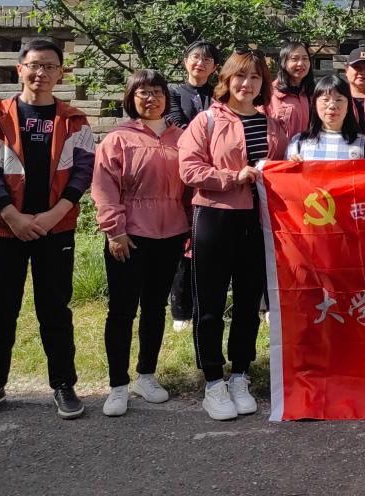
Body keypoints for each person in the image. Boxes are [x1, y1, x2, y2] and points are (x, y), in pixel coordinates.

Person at [0, 37, 95, 422]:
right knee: (0, 311)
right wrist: (13, 216)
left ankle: (63, 385)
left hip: (56, 229)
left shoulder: (75, 120)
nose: (41, 73)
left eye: (50, 66)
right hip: (3, 229)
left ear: (60, 73)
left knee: (55, 311)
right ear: (20, 69)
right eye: (34, 65)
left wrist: (52, 216)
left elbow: (83, 172)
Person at [178, 49, 289, 421]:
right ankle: (213, 380)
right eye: (241, 76)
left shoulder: (271, 125)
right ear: (226, 79)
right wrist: (232, 177)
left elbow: (282, 169)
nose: (247, 84)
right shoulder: (207, 120)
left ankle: (240, 374)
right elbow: (189, 169)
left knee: (248, 304)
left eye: (255, 77)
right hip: (214, 217)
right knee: (209, 304)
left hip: (257, 223)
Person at [92, 70, 189, 417]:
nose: (151, 99)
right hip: (129, 237)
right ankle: (118, 384)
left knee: (154, 308)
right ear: (131, 98)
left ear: (167, 97)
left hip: (171, 235)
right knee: (121, 310)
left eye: (158, 92)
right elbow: (104, 187)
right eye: (143, 92)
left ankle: (146, 375)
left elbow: (190, 185)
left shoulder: (182, 138)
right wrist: (114, 231)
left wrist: (190, 228)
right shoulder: (119, 138)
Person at [164, 39, 219, 333]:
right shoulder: (173, 92)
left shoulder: (219, 94)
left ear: (215, 67)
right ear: (186, 60)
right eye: (196, 57)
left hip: (213, 175)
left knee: (207, 240)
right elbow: (175, 123)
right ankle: (180, 308)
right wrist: (204, 146)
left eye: (207, 60)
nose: (200, 63)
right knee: (182, 241)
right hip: (182, 175)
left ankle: (206, 302)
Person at [288, 75, 365, 161]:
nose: (332, 106)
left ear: (348, 106)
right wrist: (292, 166)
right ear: (315, 105)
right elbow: (285, 172)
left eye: (339, 100)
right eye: (325, 100)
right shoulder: (298, 143)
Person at [270, 40, 314, 138]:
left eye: (305, 58)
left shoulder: (313, 94)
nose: (300, 63)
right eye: (295, 59)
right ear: (283, 62)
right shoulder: (270, 94)